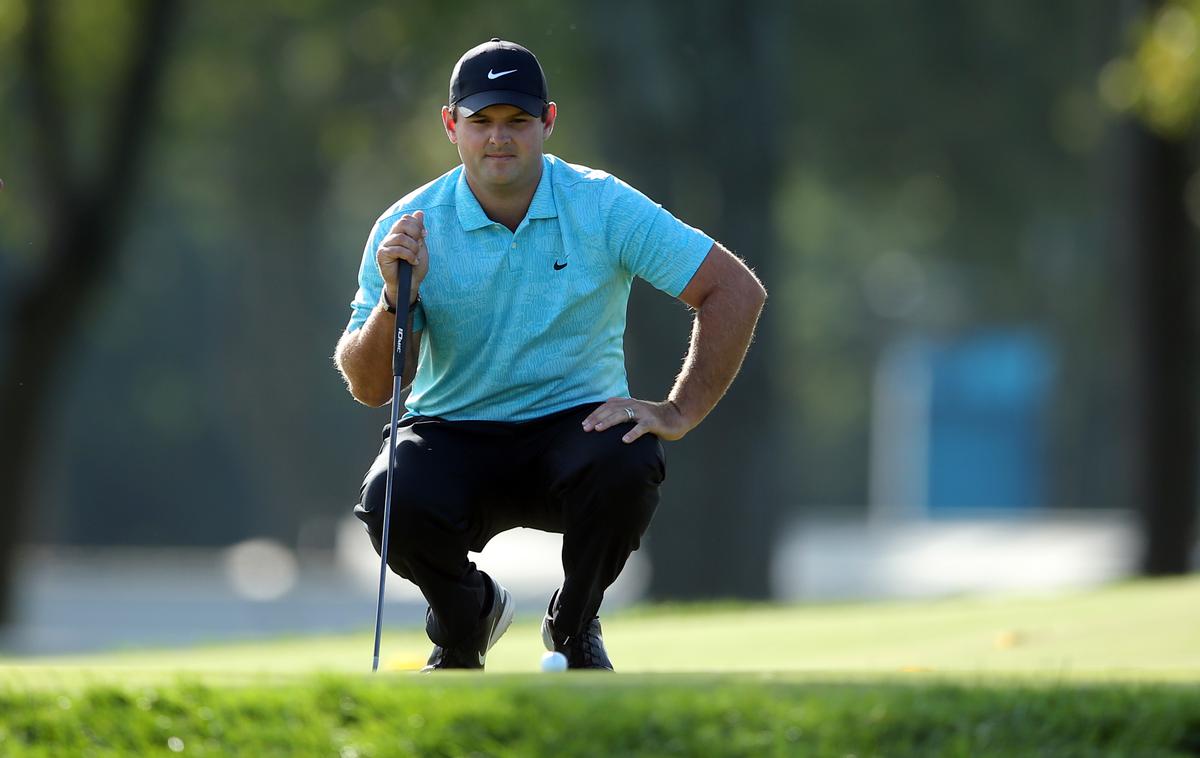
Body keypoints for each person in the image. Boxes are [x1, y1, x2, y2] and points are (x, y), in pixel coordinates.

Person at [333, 38, 766, 671]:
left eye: (517, 122)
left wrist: (679, 410)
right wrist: (397, 301)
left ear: (548, 122)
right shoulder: (410, 225)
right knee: (391, 494)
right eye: (481, 122)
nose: (499, 140)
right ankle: (465, 620)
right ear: (452, 125)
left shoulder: (601, 204)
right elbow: (373, 386)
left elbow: (734, 290)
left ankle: (573, 624)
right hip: (452, 428)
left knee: (628, 458)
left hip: (573, 426)